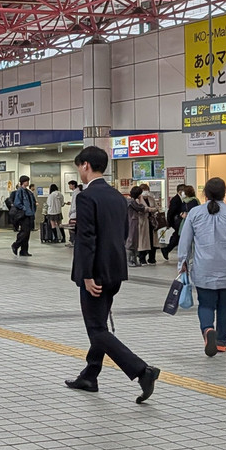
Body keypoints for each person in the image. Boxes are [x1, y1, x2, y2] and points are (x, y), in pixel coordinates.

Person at [65, 146, 160, 403]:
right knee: (100, 324)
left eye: (79, 168)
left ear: (85, 165)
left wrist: (86, 275)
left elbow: (86, 239)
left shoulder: (86, 197)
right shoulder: (119, 197)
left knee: (96, 329)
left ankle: (142, 371)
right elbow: (121, 235)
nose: (80, 173)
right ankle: (90, 374)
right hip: (115, 271)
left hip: (94, 273)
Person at [176, 178, 226, 356]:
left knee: (206, 304)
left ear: (205, 194)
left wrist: (183, 263)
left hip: (204, 267)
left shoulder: (195, 213)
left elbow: (185, 241)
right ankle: (221, 341)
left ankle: (208, 330)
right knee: (225, 304)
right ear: (224, 193)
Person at [10, 176, 35, 257]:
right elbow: (17, 202)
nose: (27, 182)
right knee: (24, 232)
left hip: (29, 214)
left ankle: (24, 250)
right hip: (23, 214)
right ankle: (16, 245)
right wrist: (24, 208)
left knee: (27, 233)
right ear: (22, 182)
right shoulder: (20, 191)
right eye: (26, 181)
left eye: (28, 181)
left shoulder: (28, 192)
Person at [125, 186, 150, 267]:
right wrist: (141, 199)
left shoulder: (128, 200)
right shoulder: (131, 202)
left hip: (132, 221)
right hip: (132, 222)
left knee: (134, 241)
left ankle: (134, 260)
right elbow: (142, 208)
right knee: (131, 241)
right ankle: (129, 260)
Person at [162, 184, 187, 259]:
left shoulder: (181, 199)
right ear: (180, 191)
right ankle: (166, 249)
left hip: (179, 221)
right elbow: (171, 212)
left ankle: (166, 249)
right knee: (177, 236)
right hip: (176, 221)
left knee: (177, 236)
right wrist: (169, 222)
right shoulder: (175, 199)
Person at [140, 184, 161, 264]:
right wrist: (150, 209)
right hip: (143, 222)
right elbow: (141, 209)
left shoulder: (151, 198)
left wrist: (151, 209)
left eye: (146, 190)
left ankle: (152, 258)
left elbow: (156, 208)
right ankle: (142, 258)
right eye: (144, 190)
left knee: (153, 241)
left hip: (152, 222)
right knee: (143, 241)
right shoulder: (138, 200)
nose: (146, 192)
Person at [66, 180, 81, 247]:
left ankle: (73, 241)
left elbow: (75, 205)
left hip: (74, 213)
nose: (69, 186)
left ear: (73, 185)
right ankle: (73, 241)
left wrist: (71, 212)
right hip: (75, 213)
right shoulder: (76, 192)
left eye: (70, 185)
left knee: (72, 228)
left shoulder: (76, 193)